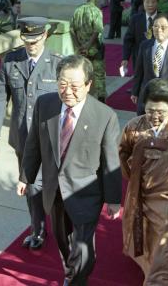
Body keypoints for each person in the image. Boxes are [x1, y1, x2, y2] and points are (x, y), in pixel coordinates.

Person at [18, 55, 122, 286]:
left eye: (75, 86)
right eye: (62, 84)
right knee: (63, 241)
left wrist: (114, 199)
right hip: (54, 189)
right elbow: (34, 142)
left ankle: (77, 280)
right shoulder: (45, 105)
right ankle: (71, 273)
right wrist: (26, 176)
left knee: (83, 248)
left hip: (86, 193)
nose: (68, 91)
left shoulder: (104, 116)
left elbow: (111, 161)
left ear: (88, 85)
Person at [0, 17, 62, 251]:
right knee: (31, 186)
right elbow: (0, 98)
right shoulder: (11, 62)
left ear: (45, 36)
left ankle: (62, 227)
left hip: (51, 140)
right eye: (27, 40)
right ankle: (37, 229)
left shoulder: (57, 65)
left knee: (53, 187)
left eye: (36, 39)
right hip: (23, 139)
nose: (31, 44)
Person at [119, 78, 168, 286]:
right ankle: (148, 265)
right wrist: (132, 178)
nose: (155, 116)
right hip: (142, 190)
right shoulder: (133, 126)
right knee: (146, 231)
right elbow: (122, 152)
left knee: (167, 236)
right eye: (150, 110)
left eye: (161, 111)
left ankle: (160, 280)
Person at [131, 13, 168, 115]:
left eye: (163, 27)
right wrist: (135, 91)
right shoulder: (145, 46)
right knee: (143, 127)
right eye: (156, 26)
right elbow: (139, 71)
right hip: (146, 98)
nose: (159, 30)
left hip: (167, 98)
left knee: (164, 129)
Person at [70, 0, 106, 102]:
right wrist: (88, 46)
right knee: (99, 75)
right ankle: (101, 99)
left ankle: (80, 97)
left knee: (81, 74)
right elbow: (97, 31)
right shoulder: (96, 11)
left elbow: (71, 30)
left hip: (80, 50)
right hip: (94, 50)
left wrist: (79, 46)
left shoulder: (77, 10)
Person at [121, 0, 159, 75]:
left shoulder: (163, 19)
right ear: (143, 2)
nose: (150, 5)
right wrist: (125, 58)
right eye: (147, 2)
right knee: (139, 84)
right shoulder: (135, 19)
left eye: (153, 2)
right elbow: (128, 39)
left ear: (157, 3)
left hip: (157, 61)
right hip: (139, 59)